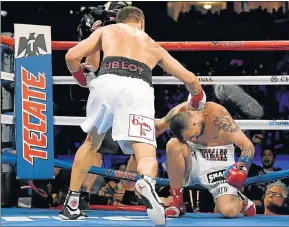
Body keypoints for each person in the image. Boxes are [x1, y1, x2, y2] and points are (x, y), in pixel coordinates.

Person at [59, 6, 206, 225]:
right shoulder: (151, 44)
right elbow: (190, 79)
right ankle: (146, 181)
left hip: (105, 82)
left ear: (119, 20)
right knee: (145, 152)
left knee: (91, 144)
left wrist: (82, 78)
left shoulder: (107, 31)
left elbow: (71, 56)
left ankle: (71, 204)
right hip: (137, 89)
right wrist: (198, 98)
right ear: (142, 23)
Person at [154, 101, 256, 218]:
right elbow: (156, 129)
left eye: (193, 136)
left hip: (219, 158)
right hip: (193, 157)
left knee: (229, 211)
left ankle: (242, 201)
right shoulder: (178, 113)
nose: (193, 139)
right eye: (189, 138)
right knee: (173, 144)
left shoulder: (216, 114)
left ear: (194, 122)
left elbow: (247, 145)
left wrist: (242, 166)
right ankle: (177, 202)